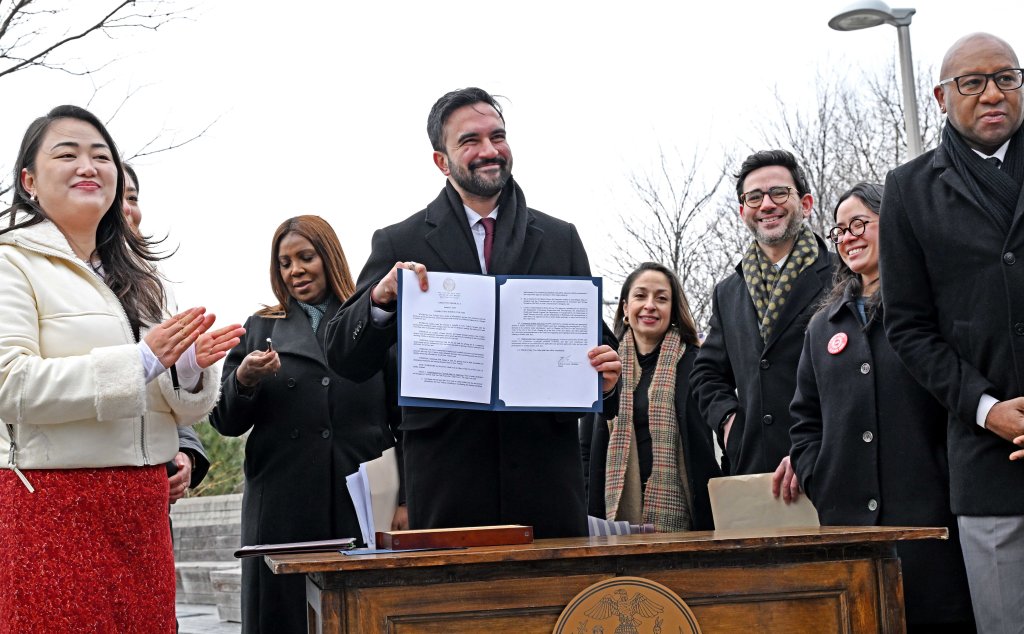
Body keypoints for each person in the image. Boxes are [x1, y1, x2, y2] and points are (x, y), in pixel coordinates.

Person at [324, 87, 622, 538]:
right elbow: (344, 355)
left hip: (546, 483)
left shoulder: (561, 239)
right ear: (441, 161)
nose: (489, 150)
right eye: (470, 141)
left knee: (552, 605)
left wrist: (607, 374)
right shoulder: (398, 242)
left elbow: (597, 353)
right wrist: (380, 302)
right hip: (448, 483)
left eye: (497, 136)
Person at [0, 105, 241, 632]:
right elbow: (9, 384)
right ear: (29, 181)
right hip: (52, 505)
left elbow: (173, 401)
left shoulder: (141, 275)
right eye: (67, 154)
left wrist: (191, 369)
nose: (88, 165)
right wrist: (144, 359)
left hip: (141, 511)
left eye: (102, 156)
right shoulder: (9, 261)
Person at [775, 183, 974, 632]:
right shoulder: (822, 327)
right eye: (841, 229)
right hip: (846, 531)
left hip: (931, 523)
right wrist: (818, 476)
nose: (848, 237)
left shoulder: (931, 305)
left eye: (861, 223)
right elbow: (805, 422)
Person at [879, 33, 1024, 632]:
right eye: (972, 82)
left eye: (1007, 77)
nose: (992, 93)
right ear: (941, 96)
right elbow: (908, 328)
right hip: (987, 465)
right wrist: (988, 409)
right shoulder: (909, 191)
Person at [211, 215, 402, 634]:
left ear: (328, 257)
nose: (295, 270)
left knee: (361, 615)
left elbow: (401, 417)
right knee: (286, 618)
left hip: (362, 501)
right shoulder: (261, 326)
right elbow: (224, 421)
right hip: (284, 507)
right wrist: (245, 379)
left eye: (305, 257)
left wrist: (404, 498)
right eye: (284, 262)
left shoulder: (372, 319)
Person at [690, 150, 834, 475]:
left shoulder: (843, 277)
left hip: (831, 463)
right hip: (755, 467)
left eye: (779, 192)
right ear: (743, 211)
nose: (766, 204)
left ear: (806, 204)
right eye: (754, 197)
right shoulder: (728, 292)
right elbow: (706, 374)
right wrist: (728, 422)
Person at [585, 262, 721, 532]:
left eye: (661, 298)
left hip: (688, 520)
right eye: (640, 296)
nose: (650, 305)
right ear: (625, 307)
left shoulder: (698, 364)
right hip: (613, 519)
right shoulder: (603, 365)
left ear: (673, 310)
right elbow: (585, 448)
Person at [123, 163, 210, 499]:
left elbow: (162, 398)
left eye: (133, 197)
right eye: (118, 197)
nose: (128, 209)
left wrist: (185, 453)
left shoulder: (151, 288)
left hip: (153, 495)